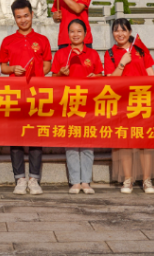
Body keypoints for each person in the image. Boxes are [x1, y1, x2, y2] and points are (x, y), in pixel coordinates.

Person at [0, 0, 52, 195]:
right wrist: (13, 68)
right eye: (19, 17)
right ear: (14, 18)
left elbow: (47, 64)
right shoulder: (7, 41)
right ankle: (19, 178)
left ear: (32, 15)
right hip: (14, 94)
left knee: (36, 135)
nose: (23, 20)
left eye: (26, 16)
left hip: (37, 95)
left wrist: (37, 73)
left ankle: (34, 179)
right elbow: (2, 67)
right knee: (16, 136)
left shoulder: (43, 40)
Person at [105, 19, 154, 194]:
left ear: (130, 32)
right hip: (122, 103)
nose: (120, 34)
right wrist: (122, 62)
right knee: (124, 142)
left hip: (142, 101)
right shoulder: (110, 54)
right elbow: (109, 80)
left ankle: (146, 180)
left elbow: (152, 75)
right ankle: (127, 180)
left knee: (145, 142)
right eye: (116, 31)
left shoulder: (140, 50)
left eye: (123, 30)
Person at [52, 19, 102, 194]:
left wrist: (95, 77)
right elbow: (52, 80)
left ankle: (86, 181)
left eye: (79, 31)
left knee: (88, 142)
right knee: (71, 143)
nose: (75, 34)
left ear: (85, 33)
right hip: (69, 103)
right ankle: (74, 181)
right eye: (72, 31)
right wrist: (60, 74)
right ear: (67, 34)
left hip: (88, 104)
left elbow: (101, 79)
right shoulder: (61, 54)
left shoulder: (93, 54)